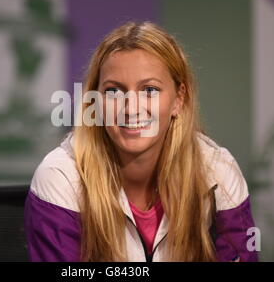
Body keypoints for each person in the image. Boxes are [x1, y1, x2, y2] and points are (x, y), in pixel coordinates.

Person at [24, 21, 259, 262]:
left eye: (149, 90)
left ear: (179, 99)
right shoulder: (60, 176)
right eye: (114, 91)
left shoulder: (218, 171)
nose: (131, 109)